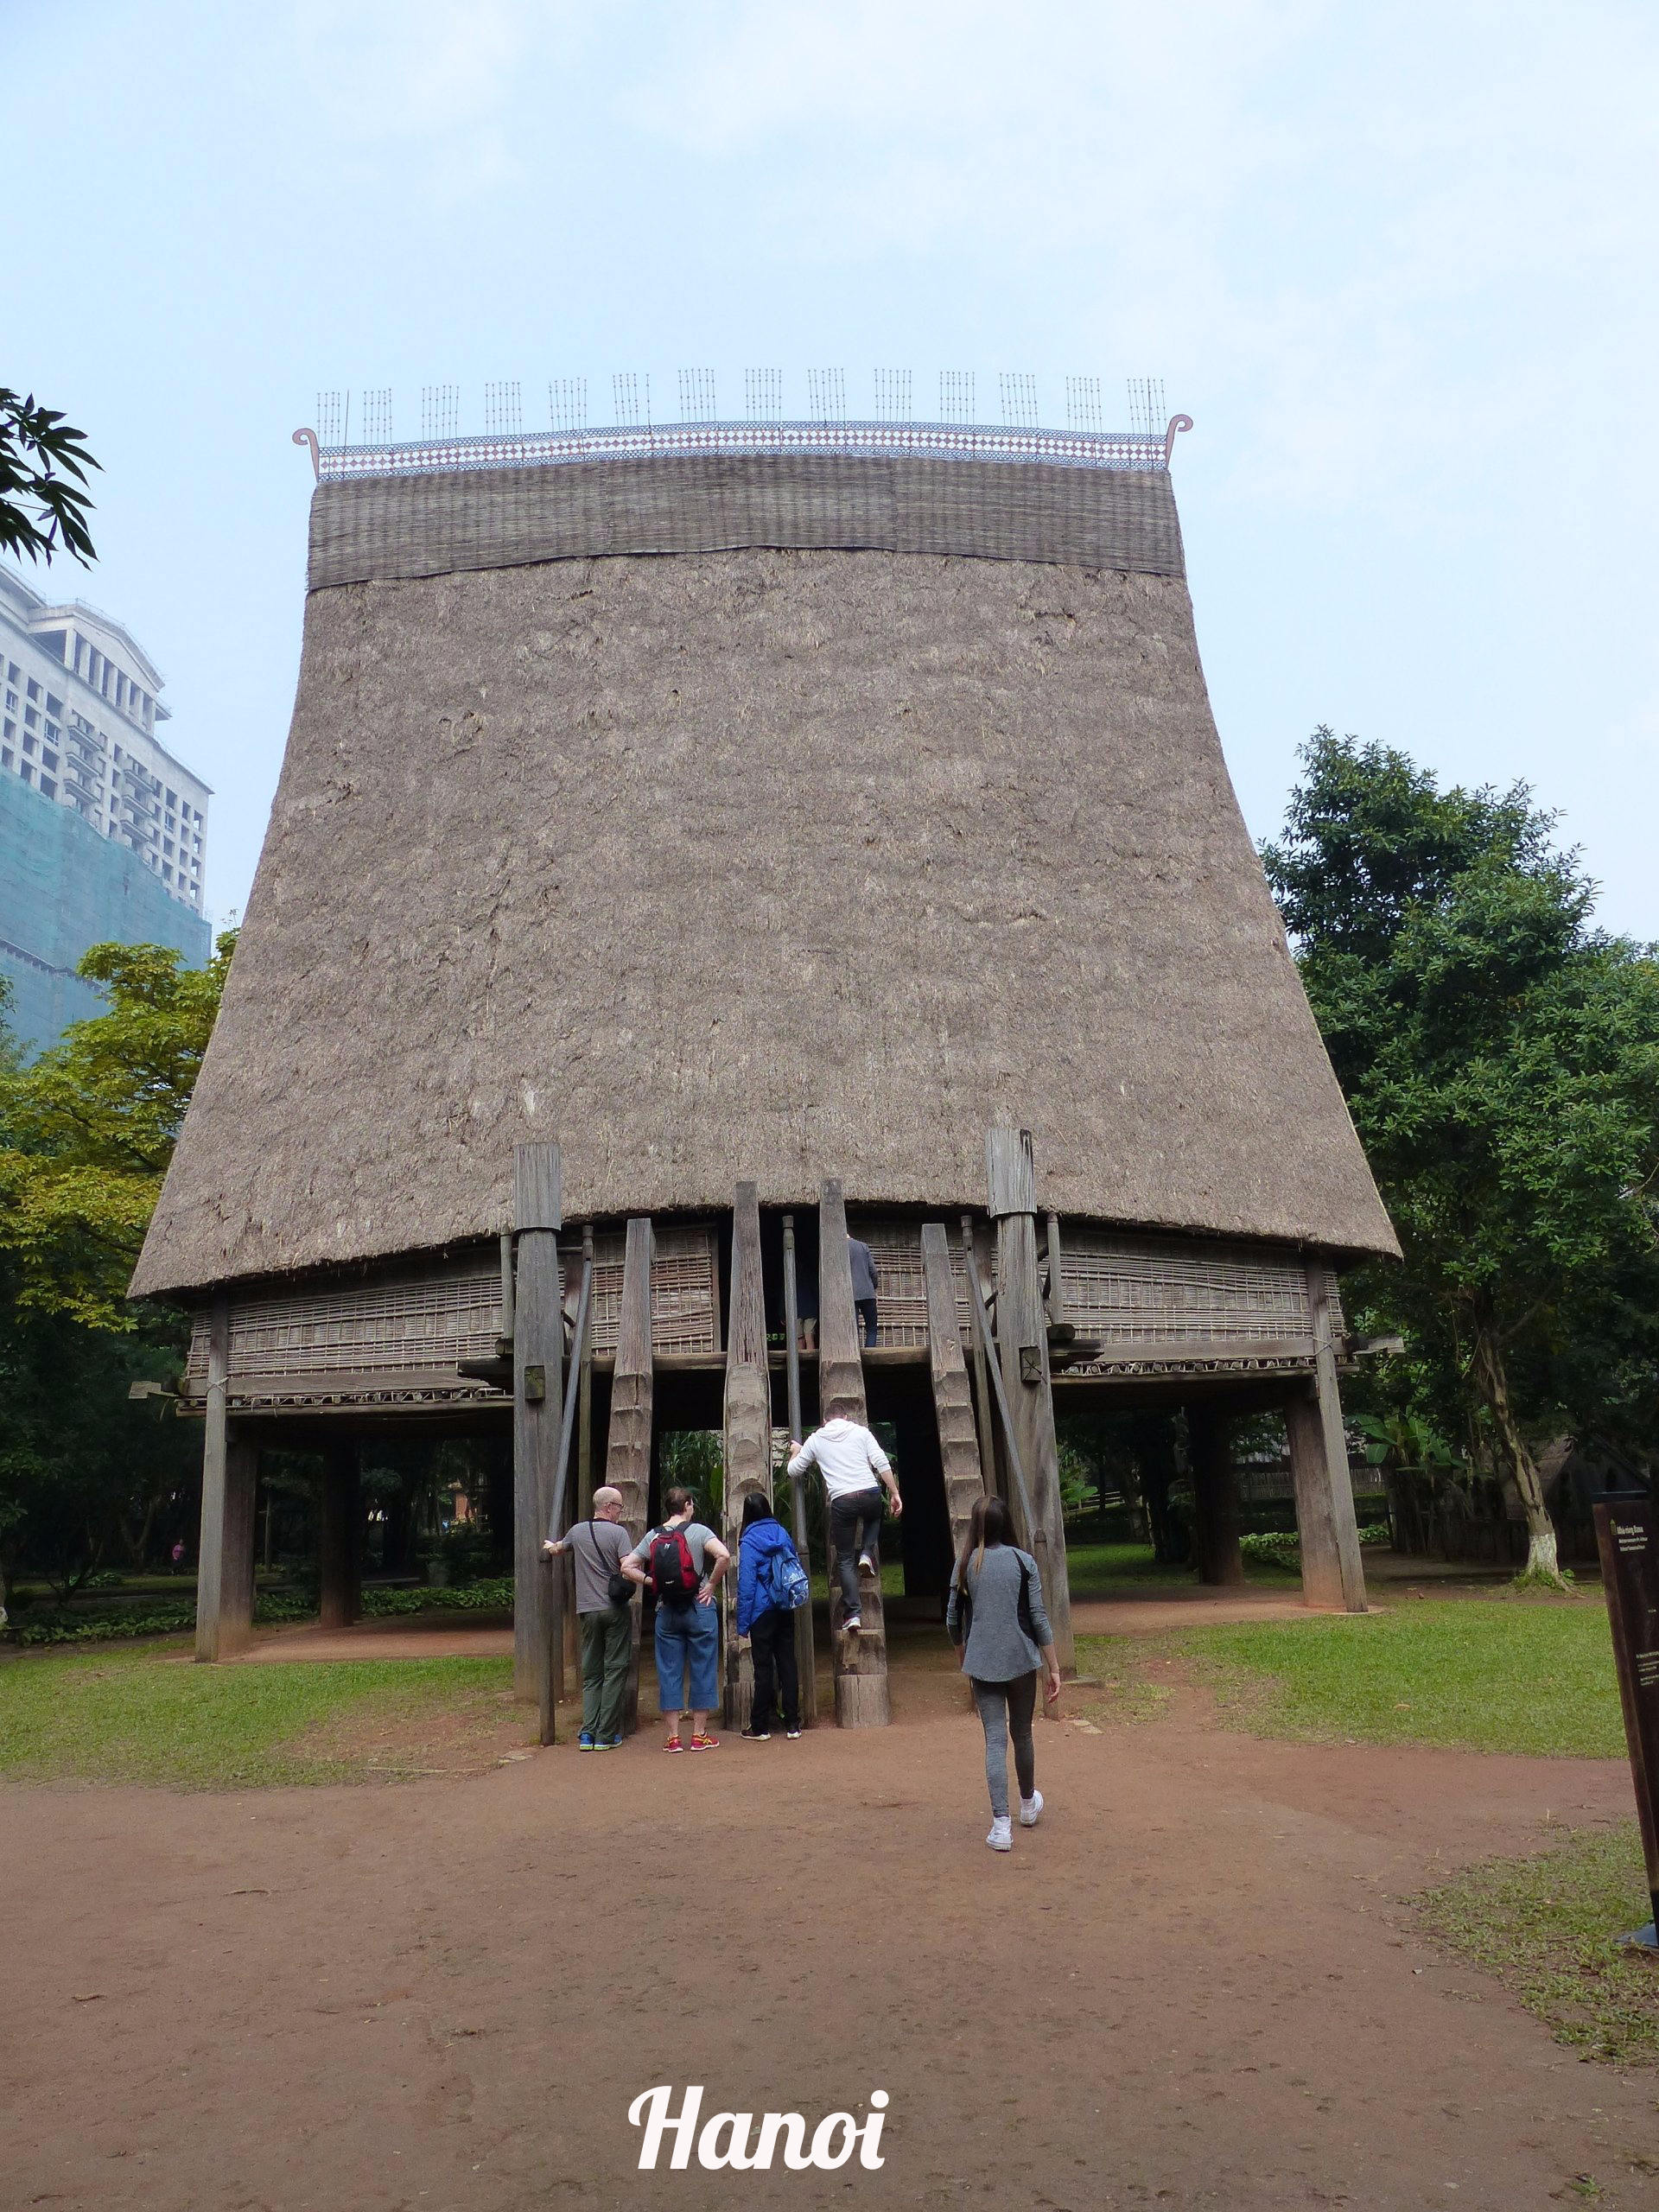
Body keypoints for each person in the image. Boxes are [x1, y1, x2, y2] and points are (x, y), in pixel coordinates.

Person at [946, 1495, 1062, 1852]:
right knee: (1022, 1733)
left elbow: (953, 1619)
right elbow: (1039, 1618)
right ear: (1006, 1523)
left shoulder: (964, 1564)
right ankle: (1027, 1805)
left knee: (994, 1740)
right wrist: (1053, 1668)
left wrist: (966, 1656)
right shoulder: (1023, 1561)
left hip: (982, 1661)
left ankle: (1000, 1826)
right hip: (1021, 1660)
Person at [621, 1485, 730, 1751]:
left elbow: (626, 1567)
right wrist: (711, 1584)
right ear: (688, 1505)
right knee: (703, 1666)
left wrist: (652, 1582)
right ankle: (699, 1734)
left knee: (669, 1670)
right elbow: (724, 1555)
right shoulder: (700, 1531)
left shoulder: (654, 1536)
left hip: (666, 1609)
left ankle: (672, 1738)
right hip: (699, 1606)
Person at [787, 1414, 902, 1635]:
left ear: (823, 1420)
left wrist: (796, 1452)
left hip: (843, 1500)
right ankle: (867, 1553)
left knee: (846, 1560)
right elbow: (881, 1462)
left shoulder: (816, 1439)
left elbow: (794, 1471)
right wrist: (895, 1493)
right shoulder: (861, 1432)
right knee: (874, 1517)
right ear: (846, 1417)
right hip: (870, 1493)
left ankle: (853, 1615)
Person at [543, 1484, 634, 1751]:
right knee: (615, 1669)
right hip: (614, 1609)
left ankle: (587, 1734)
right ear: (608, 1507)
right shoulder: (619, 1533)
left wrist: (550, 1546)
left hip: (587, 1610)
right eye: (618, 1507)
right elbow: (627, 1567)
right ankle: (606, 1734)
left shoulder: (577, 1531)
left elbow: (558, 1548)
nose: (620, 1512)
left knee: (591, 1673)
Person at [734, 1491, 804, 1741]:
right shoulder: (782, 1532)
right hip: (784, 1605)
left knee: (763, 1669)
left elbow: (747, 1585)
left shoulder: (749, 1539)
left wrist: (743, 1624)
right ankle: (793, 1723)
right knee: (788, 1663)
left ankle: (760, 1726)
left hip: (761, 1611)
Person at [848, 1233, 880, 1348]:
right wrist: (873, 1287)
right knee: (871, 1328)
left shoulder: (839, 1248)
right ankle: (870, 1353)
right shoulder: (862, 1246)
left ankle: (855, 1355)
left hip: (849, 1294)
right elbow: (873, 1270)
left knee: (853, 1329)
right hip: (867, 1293)